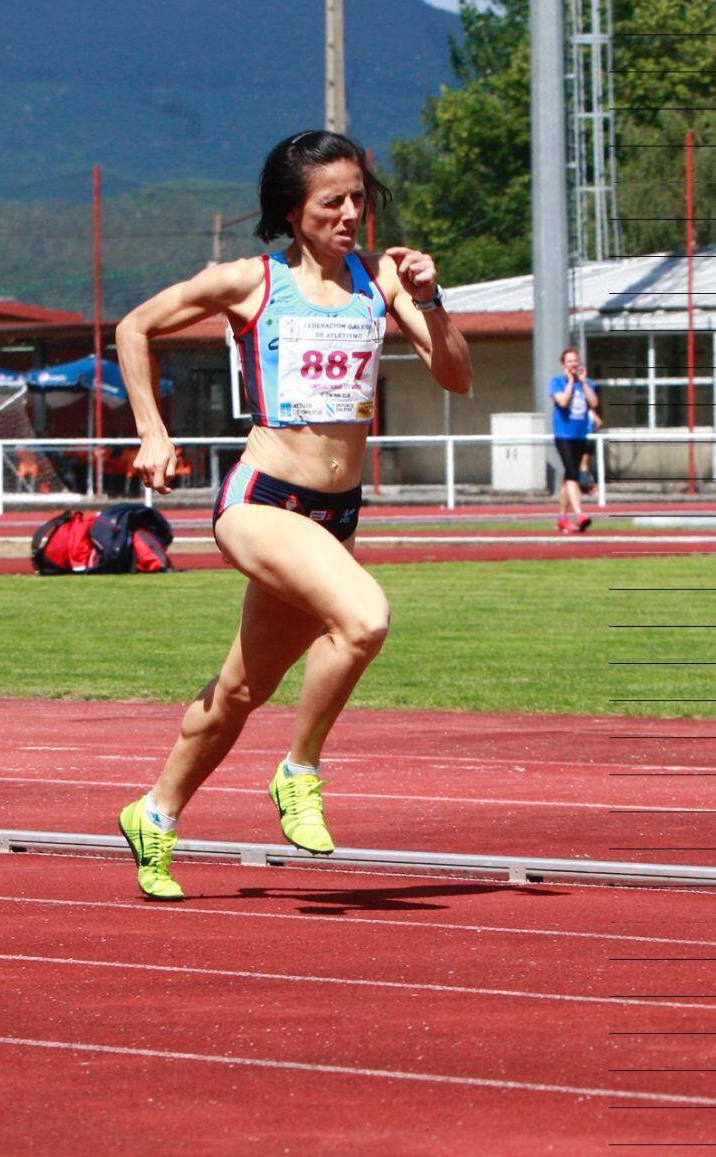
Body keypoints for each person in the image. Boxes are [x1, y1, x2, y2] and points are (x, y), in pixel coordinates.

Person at [115, 130, 472, 900]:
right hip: (260, 503)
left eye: (358, 199)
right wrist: (152, 428)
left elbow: (457, 375)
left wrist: (433, 296)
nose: (350, 213)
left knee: (242, 690)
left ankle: (155, 811)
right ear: (291, 211)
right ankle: (299, 771)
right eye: (331, 201)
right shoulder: (251, 281)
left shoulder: (382, 285)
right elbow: (134, 327)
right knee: (365, 618)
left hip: (334, 516)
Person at [549, 347, 599, 534]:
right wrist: (570, 382)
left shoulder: (588, 383)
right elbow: (562, 402)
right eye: (569, 361)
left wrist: (583, 382)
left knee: (568, 478)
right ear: (564, 365)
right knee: (572, 474)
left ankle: (562, 518)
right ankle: (580, 515)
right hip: (564, 435)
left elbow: (594, 403)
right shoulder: (557, 382)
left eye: (575, 360)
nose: (573, 364)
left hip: (580, 435)